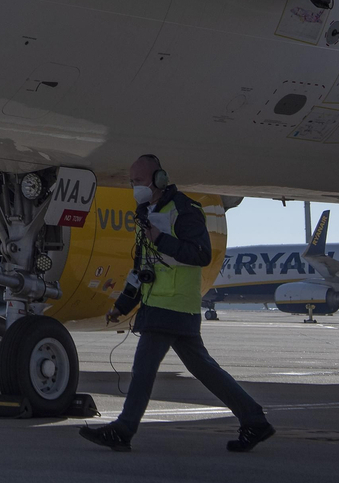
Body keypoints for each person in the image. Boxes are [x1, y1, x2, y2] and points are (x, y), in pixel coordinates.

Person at [80, 155, 275, 453]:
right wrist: (122, 304)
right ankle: (255, 420)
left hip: (172, 306)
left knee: (143, 370)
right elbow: (141, 266)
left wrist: (160, 239)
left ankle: (123, 429)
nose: (134, 187)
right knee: (205, 369)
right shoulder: (146, 212)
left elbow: (200, 255)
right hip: (164, 307)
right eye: (132, 182)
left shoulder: (185, 210)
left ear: (159, 179)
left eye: (139, 181)